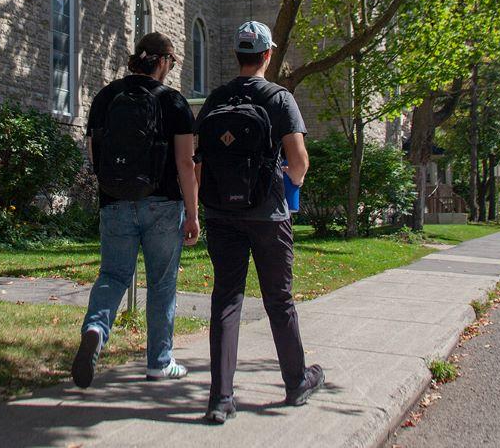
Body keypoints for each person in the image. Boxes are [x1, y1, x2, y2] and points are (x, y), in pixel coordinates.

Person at [195, 21, 324, 425]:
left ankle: (220, 398)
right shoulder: (279, 98)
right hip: (268, 215)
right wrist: (292, 182)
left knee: (226, 298)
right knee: (279, 300)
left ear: (238, 55)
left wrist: (205, 205)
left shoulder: (215, 99)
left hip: (221, 214)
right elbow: (299, 163)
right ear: (267, 56)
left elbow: (201, 163)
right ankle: (296, 381)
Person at [72, 31, 200, 388]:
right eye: (171, 62)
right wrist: (193, 213)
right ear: (161, 61)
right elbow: (186, 164)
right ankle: (159, 362)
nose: (171, 69)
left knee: (113, 276)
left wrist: (112, 190)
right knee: (161, 284)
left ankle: (96, 328)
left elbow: (95, 156)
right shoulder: (174, 103)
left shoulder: (105, 97)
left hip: (114, 201)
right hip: (163, 204)